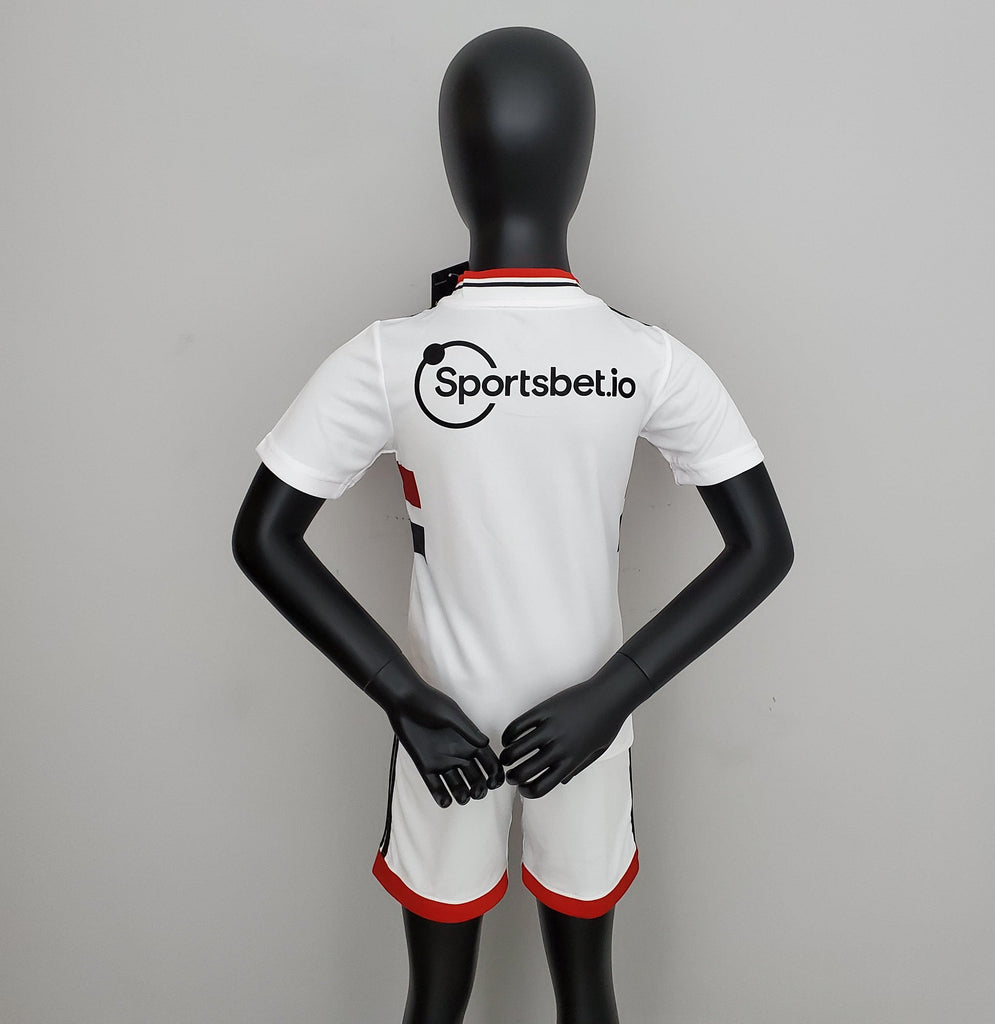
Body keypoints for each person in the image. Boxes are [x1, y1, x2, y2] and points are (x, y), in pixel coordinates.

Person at [232, 26, 793, 1024]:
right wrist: (611, 694)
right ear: (581, 163)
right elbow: (763, 547)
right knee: (586, 997)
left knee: (438, 1001)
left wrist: (405, 697)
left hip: (449, 726)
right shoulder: (644, 357)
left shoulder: (392, 356)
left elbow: (262, 536)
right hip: (569, 726)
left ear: (455, 164)